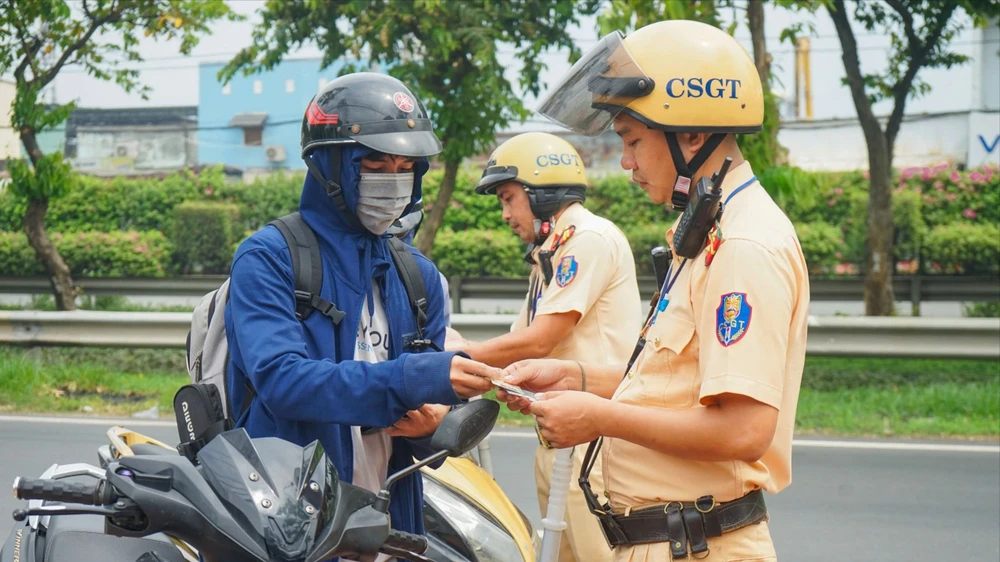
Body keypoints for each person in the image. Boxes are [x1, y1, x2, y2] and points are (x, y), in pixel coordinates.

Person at [497, 20, 810, 561]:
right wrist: (575, 378)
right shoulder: (708, 230)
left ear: (691, 134)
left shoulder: (741, 245)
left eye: (632, 139)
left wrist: (598, 417)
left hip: (695, 545)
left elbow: (743, 429)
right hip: (667, 541)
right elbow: (677, 384)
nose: (626, 161)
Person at [223, 72, 497, 554]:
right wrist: (413, 379)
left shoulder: (419, 277)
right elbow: (283, 382)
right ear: (331, 167)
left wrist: (436, 423)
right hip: (290, 524)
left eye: (404, 166)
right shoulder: (268, 258)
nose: (392, 181)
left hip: (390, 525)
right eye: (374, 162)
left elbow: (424, 436)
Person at [448, 132, 641, 562]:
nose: (504, 214)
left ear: (539, 192)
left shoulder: (587, 240)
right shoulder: (550, 254)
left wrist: (450, 359)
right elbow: (521, 347)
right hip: (559, 439)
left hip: (595, 442)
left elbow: (539, 339)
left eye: (508, 198)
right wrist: (475, 361)